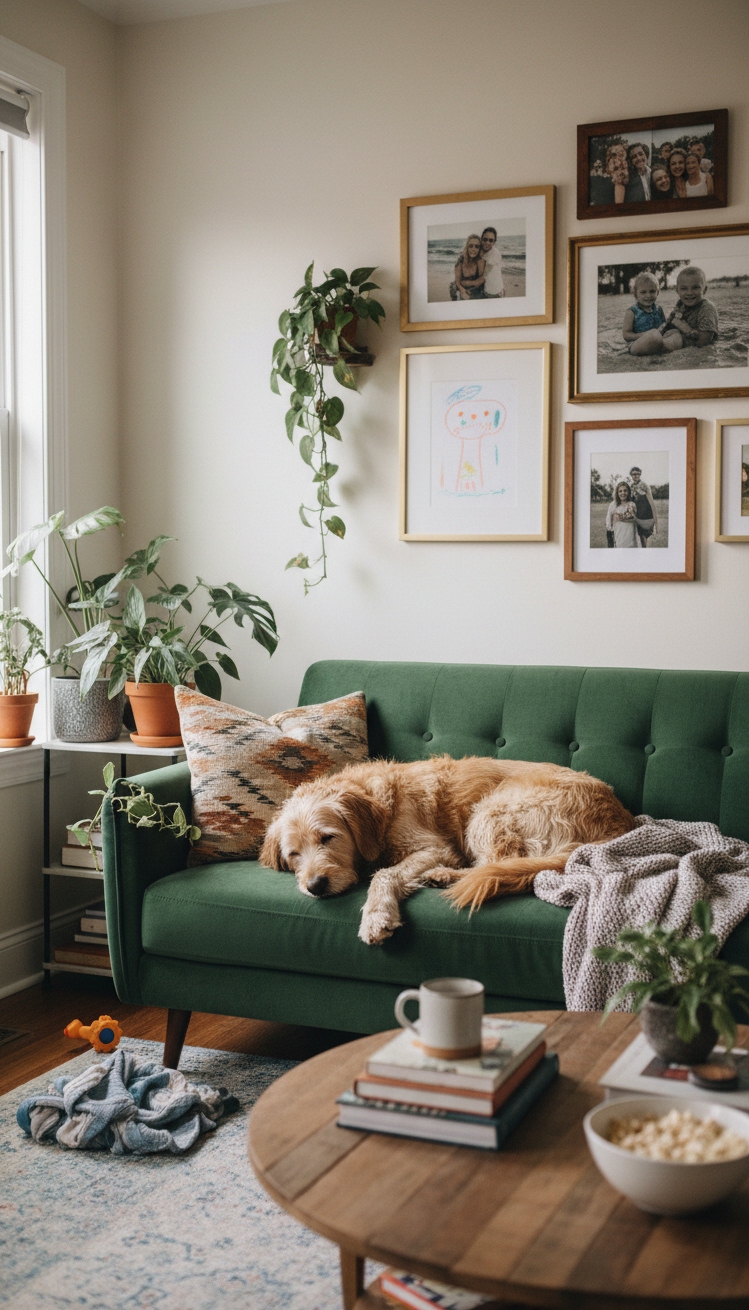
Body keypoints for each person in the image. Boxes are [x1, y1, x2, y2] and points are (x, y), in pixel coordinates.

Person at [626, 265, 718, 357]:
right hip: (675, 341)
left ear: (705, 289)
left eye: (695, 288)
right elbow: (668, 325)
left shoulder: (707, 308)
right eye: (684, 289)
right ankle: (641, 347)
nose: (689, 293)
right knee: (660, 335)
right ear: (677, 290)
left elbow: (704, 343)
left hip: (681, 344)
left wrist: (687, 330)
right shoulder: (681, 304)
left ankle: (643, 348)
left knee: (660, 337)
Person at [622, 271, 666, 352]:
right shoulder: (632, 312)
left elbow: (664, 326)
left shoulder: (659, 309)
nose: (648, 295)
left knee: (675, 333)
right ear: (635, 294)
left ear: (658, 292)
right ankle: (659, 346)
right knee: (654, 336)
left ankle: (659, 347)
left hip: (658, 339)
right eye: (643, 292)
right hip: (638, 344)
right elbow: (626, 335)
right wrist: (644, 335)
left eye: (652, 291)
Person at [449, 234, 485, 301]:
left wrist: (464, 282)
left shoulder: (480, 261)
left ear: (479, 249)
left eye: (477, 247)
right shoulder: (460, 260)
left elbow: (481, 280)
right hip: (463, 290)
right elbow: (457, 281)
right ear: (467, 247)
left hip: (476, 291)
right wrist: (462, 290)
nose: (473, 249)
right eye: (470, 246)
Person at [629, 467, 659, 546]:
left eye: (637, 474)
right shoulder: (631, 487)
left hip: (646, 516)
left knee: (644, 539)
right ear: (631, 475)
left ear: (640, 475)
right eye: (634, 474)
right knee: (639, 538)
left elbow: (652, 504)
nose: (635, 476)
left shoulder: (645, 486)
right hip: (637, 516)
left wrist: (656, 523)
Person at [606, 482, 640, 548]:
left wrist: (620, 517)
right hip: (618, 536)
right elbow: (608, 522)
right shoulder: (613, 505)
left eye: (625, 490)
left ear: (628, 492)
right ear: (617, 493)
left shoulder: (632, 504)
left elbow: (635, 519)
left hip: (631, 537)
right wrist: (612, 533)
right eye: (620, 491)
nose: (623, 493)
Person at [479, 227, 505, 298]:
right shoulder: (481, 250)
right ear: (481, 239)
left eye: (491, 240)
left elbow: (483, 277)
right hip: (485, 290)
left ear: (494, 242)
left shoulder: (494, 254)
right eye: (485, 239)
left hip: (495, 293)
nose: (487, 242)